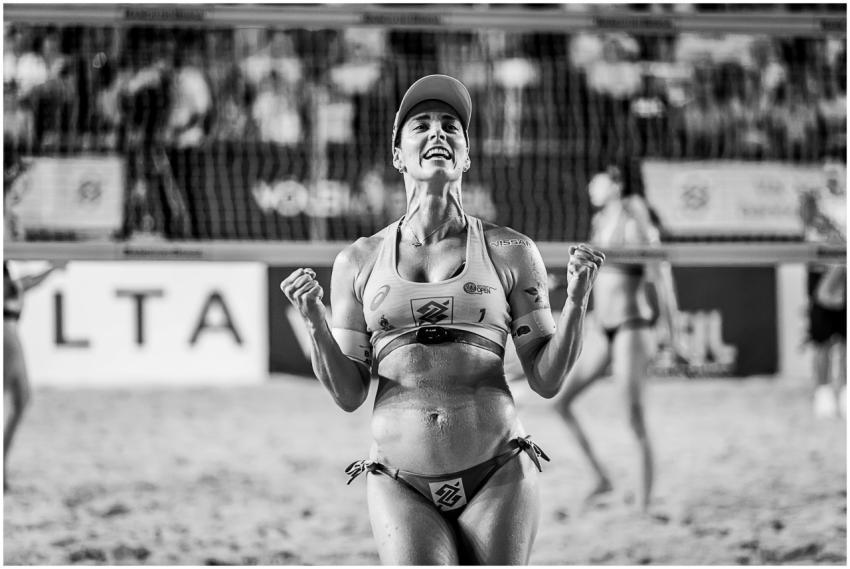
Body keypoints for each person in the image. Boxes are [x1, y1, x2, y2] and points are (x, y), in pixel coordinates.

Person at [280, 74, 605, 565]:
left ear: (467, 156)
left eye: (451, 126)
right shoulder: (359, 259)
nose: (438, 133)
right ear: (397, 155)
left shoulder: (511, 250)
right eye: (422, 125)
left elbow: (546, 378)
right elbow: (349, 395)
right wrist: (314, 320)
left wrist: (577, 301)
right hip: (400, 481)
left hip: (497, 471)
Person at [552, 164, 680, 513]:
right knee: (561, 402)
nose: (591, 184)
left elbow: (660, 270)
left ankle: (644, 503)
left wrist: (673, 327)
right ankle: (601, 478)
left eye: (598, 178)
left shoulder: (633, 211)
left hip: (632, 326)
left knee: (633, 416)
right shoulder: (599, 222)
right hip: (603, 328)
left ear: (617, 182)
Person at [3, 152, 64, 491]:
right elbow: (14, 288)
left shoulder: (7, 262)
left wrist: (51, 269)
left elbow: (19, 286)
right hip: (5, 330)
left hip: (8, 327)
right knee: (21, 397)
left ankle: (2, 469)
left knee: (20, 399)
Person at [799, 164, 846, 419]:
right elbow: (807, 224)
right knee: (821, 342)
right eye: (828, 175)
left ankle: (845, 391)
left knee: (845, 342)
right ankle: (823, 391)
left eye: (836, 174)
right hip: (821, 277)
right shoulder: (817, 203)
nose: (832, 180)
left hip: (844, 276)